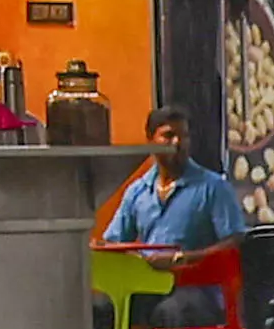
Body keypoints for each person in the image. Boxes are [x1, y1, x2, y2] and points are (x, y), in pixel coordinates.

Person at [101, 110, 247, 259]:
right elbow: (113, 243)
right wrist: (140, 261)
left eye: (184, 136)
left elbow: (234, 243)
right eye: (168, 136)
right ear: (151, 141)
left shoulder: (214, 188)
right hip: (149, 281)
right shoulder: (137, 192)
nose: (178, 142)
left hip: (197, 280)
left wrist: (184, 258)